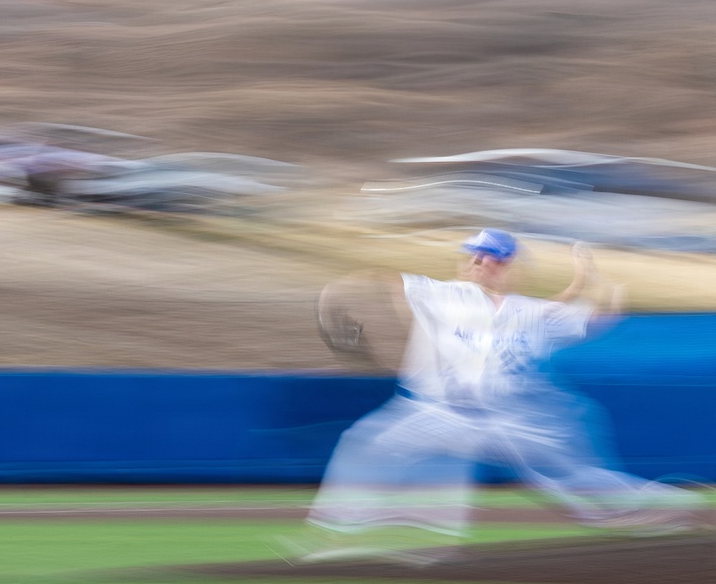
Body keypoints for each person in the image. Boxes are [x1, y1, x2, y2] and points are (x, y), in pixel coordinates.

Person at [285, 228, 708, 564]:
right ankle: (334, 536)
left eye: (486, 255)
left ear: (504, 264)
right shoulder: (445, 294)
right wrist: (334, 298)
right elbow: (382, 280)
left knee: (575, 477)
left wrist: (597, 283)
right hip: (439, 413)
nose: (475, 261)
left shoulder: (531, 312)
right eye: (472, 254)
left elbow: (595, 318)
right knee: (365, 445)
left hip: (515, 418)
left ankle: (661, 506)